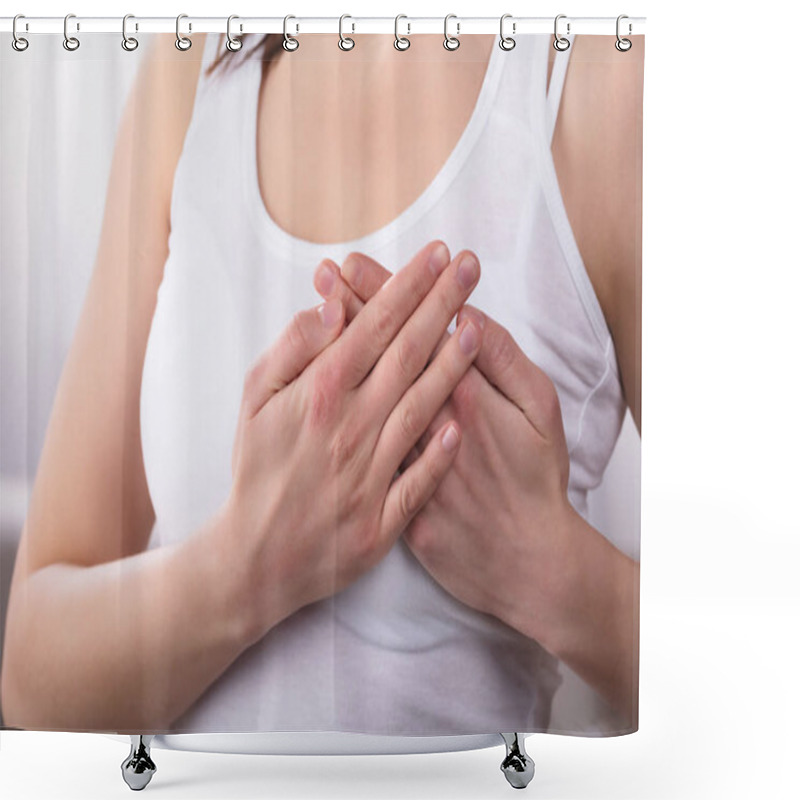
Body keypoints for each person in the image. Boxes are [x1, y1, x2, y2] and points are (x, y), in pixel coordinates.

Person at [1, 29, 642, 736]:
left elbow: (750, 671)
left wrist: (553, 571)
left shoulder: (598, 87)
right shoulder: (192, 71)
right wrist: (242, 569)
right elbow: (31, 672)